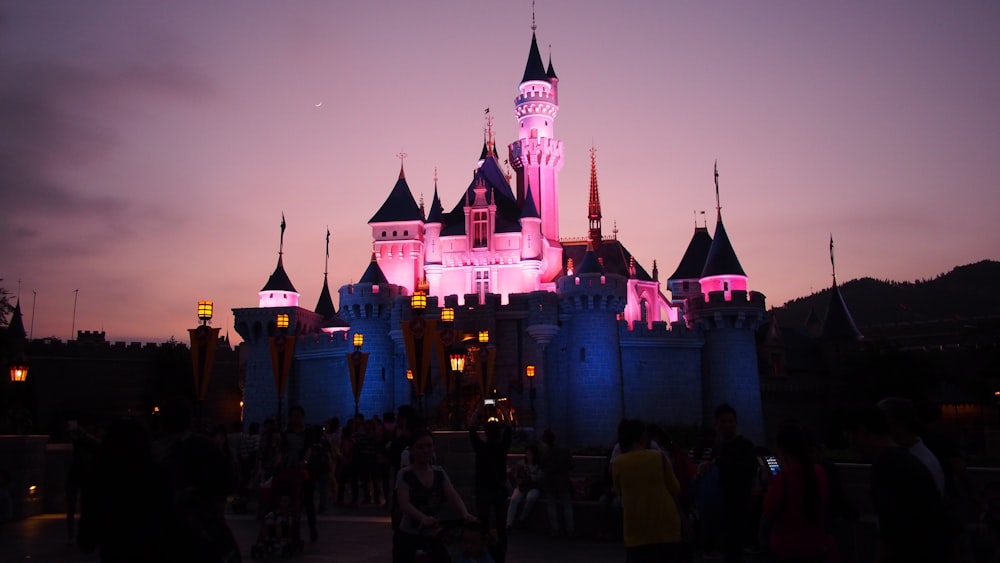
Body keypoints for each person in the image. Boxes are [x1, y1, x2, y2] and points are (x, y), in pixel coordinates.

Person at [845, 405, 948, 563]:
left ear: (863, 431)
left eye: (851, 436)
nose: (851, 444)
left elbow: (891, 532)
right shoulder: (908, 459)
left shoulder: (886, 465)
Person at [393, 429, 477, 563]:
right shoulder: (404, 474)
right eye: (420, 447)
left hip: (433, 531)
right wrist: (422, 518)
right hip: (410, 533)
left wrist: (464, 514)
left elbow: (452, 494)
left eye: (429, 446)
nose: (425, 450)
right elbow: (404, 504)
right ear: (412, 451)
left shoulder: (439, 472)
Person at [612, 418, 682, 563]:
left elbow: (619, 492)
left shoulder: (618, 463)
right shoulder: (659, 457)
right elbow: (675, 487)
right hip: (665, 527)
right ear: (643, 437)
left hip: (635, 530)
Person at [759, 422, 830, 563]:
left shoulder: (782, 480)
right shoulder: (820, 472)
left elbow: (768, 512)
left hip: (785, 550)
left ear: (783, 451)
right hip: (816, 549)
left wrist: (770, 484)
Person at [710, 404, 758, 563]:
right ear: (716, 424)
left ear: (736, 423)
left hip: (739, 505)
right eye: (723, 421)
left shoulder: (745, 446)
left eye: (730, 421)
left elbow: (753, 468)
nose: (727, 425)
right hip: (723, 505)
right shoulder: (718, 447)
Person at [470, 419, 512, 562]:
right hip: (499, 490)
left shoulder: (480, 448)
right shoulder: (503, 448)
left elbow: (471, 425)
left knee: (484, 523)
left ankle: (485, 553)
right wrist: (499, 406)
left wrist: (481, 404)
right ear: (499, 433)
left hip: (483, 490)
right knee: (501, 525)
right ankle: (501, 555)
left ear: (485, 433)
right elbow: (509, 426)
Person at [540, 429, 575, 538]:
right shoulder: (564, 451)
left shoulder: (546, 454)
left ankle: (555, 530)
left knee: (551, 506)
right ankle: (570, 531)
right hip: (563, 482)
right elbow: (570, 466)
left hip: (550, 483)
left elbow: (542, 466)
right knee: (567, 506)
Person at [506, 444, 544, 530]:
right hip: (522, 486)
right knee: (514, 499)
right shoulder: (521, 463)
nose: (528, 456)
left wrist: (530, 477)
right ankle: (509, 524)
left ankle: (522, 518)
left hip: (534, 486)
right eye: (527, 454)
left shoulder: (539, 465)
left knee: (531, 498)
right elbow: (514, 474)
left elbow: (541, 476)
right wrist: (517, 477)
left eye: (530, 454)